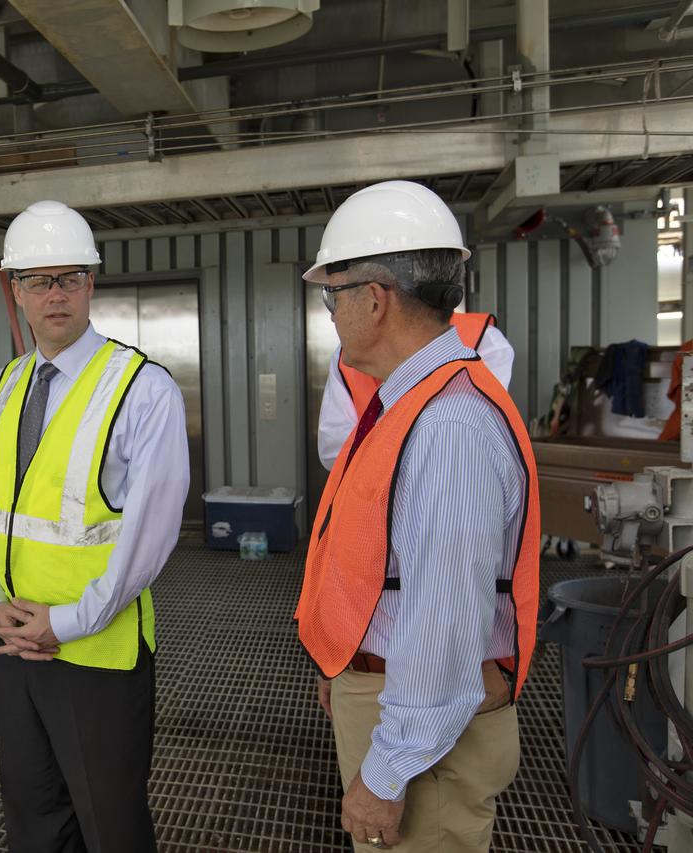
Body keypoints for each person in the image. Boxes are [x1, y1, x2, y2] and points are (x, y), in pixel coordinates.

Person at [294, 181, 541, 852]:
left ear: (373, 300)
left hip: (423, 733)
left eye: (331, 294)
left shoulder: (448, 425)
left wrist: (387, 770)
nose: (332, 312)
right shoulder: (412, 403)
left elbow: (444, 622)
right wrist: (344, 665)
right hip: (384, 690)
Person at [0, 200, 189, 852]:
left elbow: (148, 541)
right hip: (16, 648)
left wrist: (64, 622)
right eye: (38, 280)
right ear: (17, 291)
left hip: (97, 654)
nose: (54, 294)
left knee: (110, 824)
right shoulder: (5, 387)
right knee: (33, 817)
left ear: (92, 282)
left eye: (69, 278)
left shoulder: (141, 390)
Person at [317, 315, 515, 469]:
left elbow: (464, 448)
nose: (334, 316)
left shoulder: (486, 342)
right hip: (369, 504)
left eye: (336, 296)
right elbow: (334, 453)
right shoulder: (348, 355)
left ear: (376, 296)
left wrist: (378, 449)